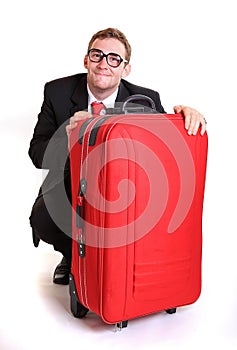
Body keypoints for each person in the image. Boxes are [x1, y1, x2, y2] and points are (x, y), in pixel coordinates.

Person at [29, 27, 207, 285]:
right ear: (86, 60)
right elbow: (36, 152)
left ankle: (121, 262)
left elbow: (168, 151)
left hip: (125, 188)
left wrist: (187, 116)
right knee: (44, 218)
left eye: (114, 59)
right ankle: (72, 256)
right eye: (97, 55)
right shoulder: (56, 92)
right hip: (73, 182)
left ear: (125, 69)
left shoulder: (146, 100)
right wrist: (67, 137)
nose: (104, 64)